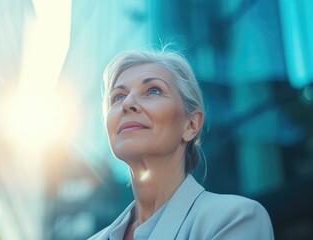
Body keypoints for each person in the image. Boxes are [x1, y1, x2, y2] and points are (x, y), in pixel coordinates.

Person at [88, 48, 274, 240]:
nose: (127, 103)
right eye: (118, 97)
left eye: (153, 90)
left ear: (191, 124)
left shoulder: (236, 219)